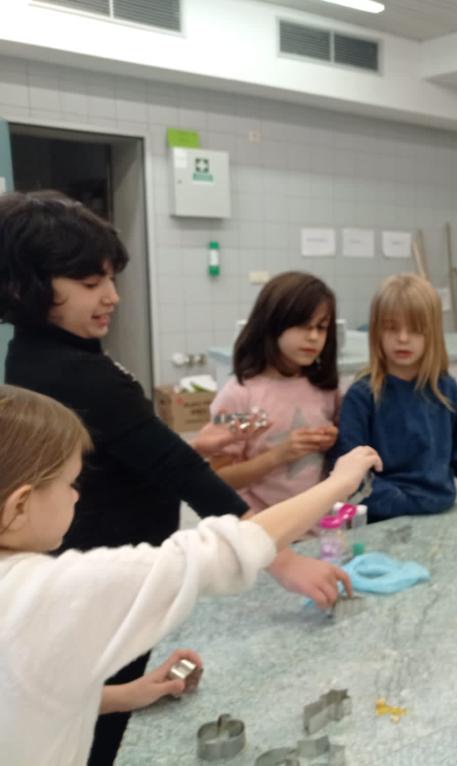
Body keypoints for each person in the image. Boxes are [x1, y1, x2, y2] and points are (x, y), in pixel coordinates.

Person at [0, 191, 347, 763]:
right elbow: (183, 474)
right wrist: (281, 559)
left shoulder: (46, 352)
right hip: (114, 576)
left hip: (111, 580)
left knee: (88, 699)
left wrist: (187, 443)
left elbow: (133, 447)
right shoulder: (75, 370)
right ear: (29, 286)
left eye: (111, 279)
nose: (111, 296)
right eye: (90, 283)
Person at [0, 383, 381, 766]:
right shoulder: (42, 593)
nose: (76, 495)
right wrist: (339, 483)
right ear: (20, 506)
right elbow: (223, 551)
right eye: (70, 483)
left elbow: (24, 691)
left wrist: (123, 695)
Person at [331, 273, 457, 522]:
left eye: (415, 329)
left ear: (432, 334)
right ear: (377, 331)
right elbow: (350, 472)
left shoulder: (446, 390)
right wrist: (403, 501)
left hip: (439, 513)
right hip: (384, 520)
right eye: (392, 328)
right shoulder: (362, 397)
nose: (403, 338)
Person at [210, 272, 340, 512]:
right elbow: (218, 478)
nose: (313, 337)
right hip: (263, 525)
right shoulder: (240, 395)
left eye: (321, 328)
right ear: (272, 324)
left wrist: (331, 441)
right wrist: (277, 456)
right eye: (302, 325)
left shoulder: (325, 388)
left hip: (318, 523)